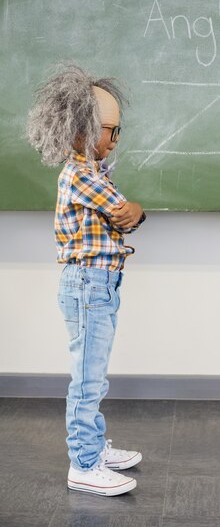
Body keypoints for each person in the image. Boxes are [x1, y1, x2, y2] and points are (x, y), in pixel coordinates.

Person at [27, 65, 146, 496]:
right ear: (78, 130)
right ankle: (83, 462)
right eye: (107, 130)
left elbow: (126, 215)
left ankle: (93, 445)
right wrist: (136, 209)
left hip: (101, 283)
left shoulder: (93, 171)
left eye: (117, 130)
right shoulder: (80, 174)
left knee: (95, 374)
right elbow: (122, 211)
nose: (114, 139)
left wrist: (135, 211)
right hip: (88, 283)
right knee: (87, 377)